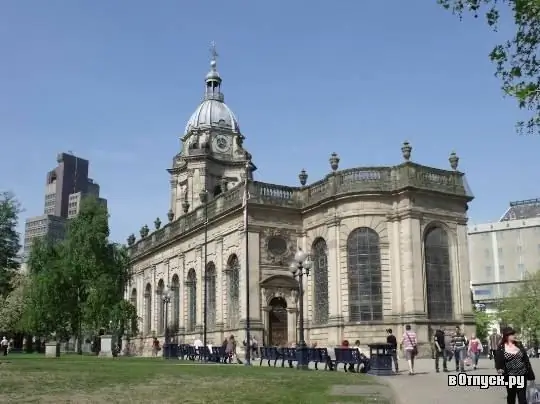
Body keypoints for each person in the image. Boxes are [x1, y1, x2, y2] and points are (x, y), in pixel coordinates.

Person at [495, 327, 535, 404]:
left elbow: (526, 360)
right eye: (512, 334)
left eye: (514, 334)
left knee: (522, 398)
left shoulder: (519, 344)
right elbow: (498, 360)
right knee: (511, 396)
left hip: (522, 374)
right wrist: (499, 368)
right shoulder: (501, 347)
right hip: (509, 376)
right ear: (506, 336)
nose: (514, 335)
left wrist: (531, 375)